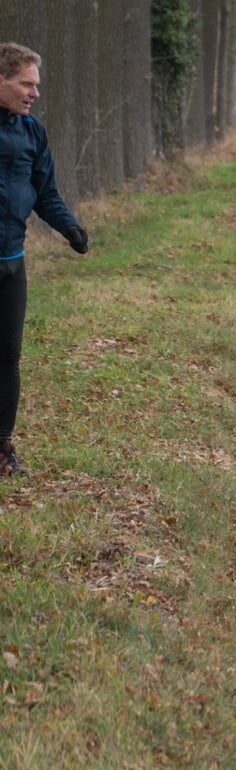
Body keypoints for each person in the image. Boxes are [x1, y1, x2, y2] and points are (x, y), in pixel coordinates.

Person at [0, 43, 85, 476]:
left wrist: (69, 228)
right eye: (26, 84)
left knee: (8, 358)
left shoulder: (33, 131)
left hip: (11, 262)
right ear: (1, 80)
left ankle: (1, 448)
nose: (34, 93)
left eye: (37, 86)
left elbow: (45, 192)